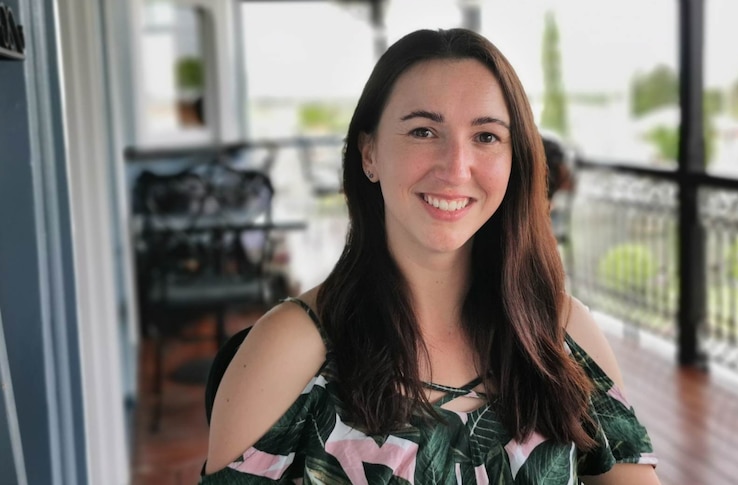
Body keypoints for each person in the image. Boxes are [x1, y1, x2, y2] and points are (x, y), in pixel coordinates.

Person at [202, 28, 660, 484]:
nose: (455, 167)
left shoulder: (559, 331)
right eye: (423, 131)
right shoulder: (293, 349)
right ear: (369, 154)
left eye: (485, 136)